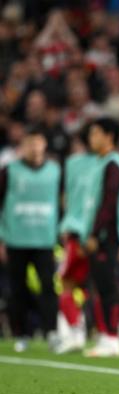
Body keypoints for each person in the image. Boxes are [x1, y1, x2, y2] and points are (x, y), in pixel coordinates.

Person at [0, 126, 61, 353]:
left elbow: (63, 200)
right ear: (22, 146)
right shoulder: (9, 171)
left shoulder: (55, 170)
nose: (34, 147)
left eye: (38, 142)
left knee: (48, 286)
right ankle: (21, 334)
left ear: (44, 145)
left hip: (45, 239)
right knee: (17, 289)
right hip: (16, 239)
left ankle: (52, 332)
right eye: (30, 143)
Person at [82, 118, 119, 358]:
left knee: (109, 287)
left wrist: (95, 233)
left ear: (109, 136)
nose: (91, 138)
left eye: (95, 133)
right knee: (101, 286)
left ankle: (112, 338)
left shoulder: (114, 163)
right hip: (101, 233)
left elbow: (109, 202)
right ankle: (106, 336)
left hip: (108, 234)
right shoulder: (101, 163)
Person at [55, 130, 97, 354]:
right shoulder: (109, 162)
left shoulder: (75, 164)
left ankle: (76, 331)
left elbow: (69, 198)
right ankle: (104, 332)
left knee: (67, 284)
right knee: (95, 286)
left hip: (78, 232)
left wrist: (68, 226)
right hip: (98, 233)